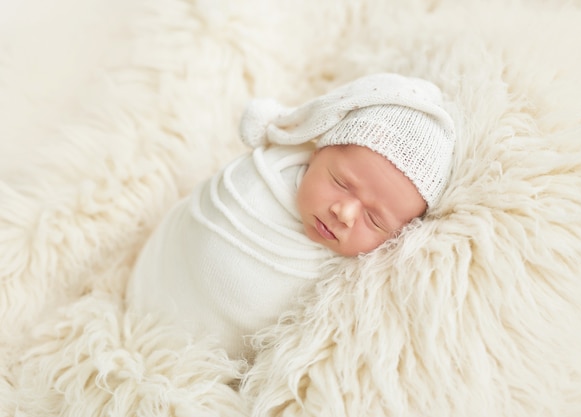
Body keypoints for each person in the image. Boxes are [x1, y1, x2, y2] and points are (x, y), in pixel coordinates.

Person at [126, 73, 456, 359]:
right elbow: (200, 231)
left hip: (208, 361)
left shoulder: (357, 284)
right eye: (341, 183)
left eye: (375, 220)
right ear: (316, 152)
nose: (345, 213)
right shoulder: (260, 176)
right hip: (150, 295)